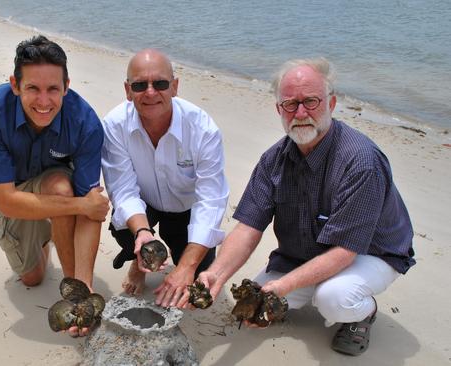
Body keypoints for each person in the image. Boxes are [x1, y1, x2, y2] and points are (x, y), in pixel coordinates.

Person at [197, 58, 415, 356]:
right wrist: (217, 274)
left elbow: (344, 251)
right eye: (290, 104)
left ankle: (363, 313)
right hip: (309, 251)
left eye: (311, 101)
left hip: (371, 252)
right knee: (250, 306)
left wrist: (282, 288)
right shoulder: (273, 160)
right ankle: (309, 287)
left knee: (334, 299)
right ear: (279, 110)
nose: (301, 113)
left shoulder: (361, 162)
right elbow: (248, 226)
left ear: (332, 103)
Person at [0, 35, 108, 336]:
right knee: (32, 278)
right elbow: (6, 201)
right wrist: (82, 205)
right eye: (33, 88)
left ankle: (72, 288)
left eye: (53, 89)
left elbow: (91, 209)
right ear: (15, 85)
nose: (43, 101)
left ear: (66, 87)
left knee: (61, 186)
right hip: (12, 193)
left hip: (55, 187)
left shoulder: (85, 122)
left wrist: (82, 292)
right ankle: (45, 239)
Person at [101, 49, 229, 308]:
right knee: (125, 227)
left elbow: (211, 202)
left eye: (160, 83)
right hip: (144, 204)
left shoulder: (203, 129)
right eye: (139, 85)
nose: (150, 92)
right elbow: (123, 190)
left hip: (186, 208)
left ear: (175, 86)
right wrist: (143, 233)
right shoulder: (114, 125)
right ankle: (139, 264)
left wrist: (187, 267)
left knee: (199, 269)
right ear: (128, 90)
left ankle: (175, 254)